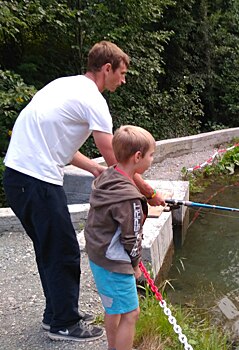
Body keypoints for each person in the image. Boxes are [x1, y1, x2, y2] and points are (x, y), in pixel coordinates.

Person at [2, 41, 165, 342]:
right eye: (122, 73)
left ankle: (57, 314)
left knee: (49, 247)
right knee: (63, 249)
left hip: (19, 176)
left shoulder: (65, 86)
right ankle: (64, 324)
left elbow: (62, 145)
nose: (124, 80)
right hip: (36, 178)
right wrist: (150, 192)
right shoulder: (94, 100)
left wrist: (93, 168)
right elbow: (121, 161)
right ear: (107, 69)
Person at [85, 125, 155, 350]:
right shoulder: (129, 199)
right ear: (137, 157)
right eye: (151, 155)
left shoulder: (108, 176)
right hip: (115, 263)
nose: (152, 159)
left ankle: (113, 346)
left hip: (98, 256)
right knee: (131, 313)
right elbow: (131, 238)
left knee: (113, 308)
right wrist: (135, 266)